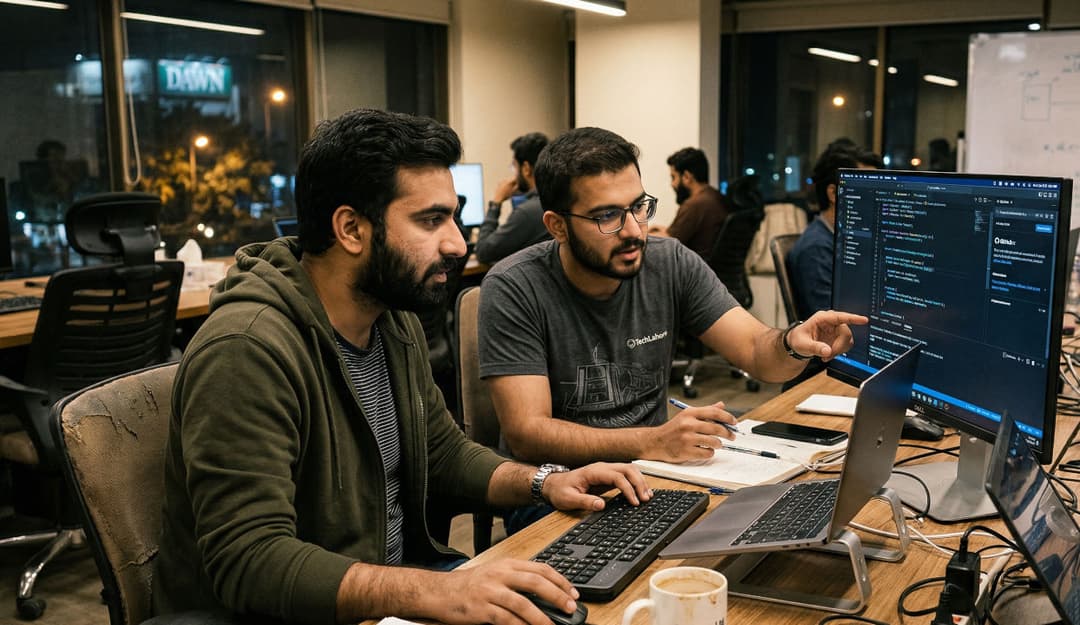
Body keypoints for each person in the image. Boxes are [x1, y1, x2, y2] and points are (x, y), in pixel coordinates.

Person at [150, 109, 652, 625]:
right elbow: (249, 560)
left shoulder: (390, 320)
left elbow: (442, 452)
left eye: (453, 218)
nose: (457, 244)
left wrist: (544, 482)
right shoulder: (247, 349)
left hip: (391, 593)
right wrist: (440, 591)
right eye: (431, 220)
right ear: (350, 229)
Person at [478, 126, 868, 471]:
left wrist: (793, 344)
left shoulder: (670, 261)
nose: (634, 231)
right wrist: (652, 441)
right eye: (607, 216)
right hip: (559, 488)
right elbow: (527, 434)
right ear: (557, 227)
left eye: (639, 207)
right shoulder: (514, 286)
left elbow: (755, 350)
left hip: (657, 470)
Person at [786, 144, 879, 321]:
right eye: (868, 187)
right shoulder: (816, 249)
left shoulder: (845, 241)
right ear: (834, 193)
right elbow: (832, 322)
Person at [474, 132, 552, 265]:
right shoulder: (556, 199)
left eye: (514, 166)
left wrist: (496, 202)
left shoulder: (528, 212)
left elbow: (483, 252)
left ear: (526, 168)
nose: (514, 173)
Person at [648, 147, 730, 258]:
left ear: (687, 177)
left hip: (695, 269)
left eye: (674, 177)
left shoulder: (695, 204)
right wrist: (661, 230)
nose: (672, 184)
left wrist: (642, 235)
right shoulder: (714, 196)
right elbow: (677, 233)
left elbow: (669, 241)